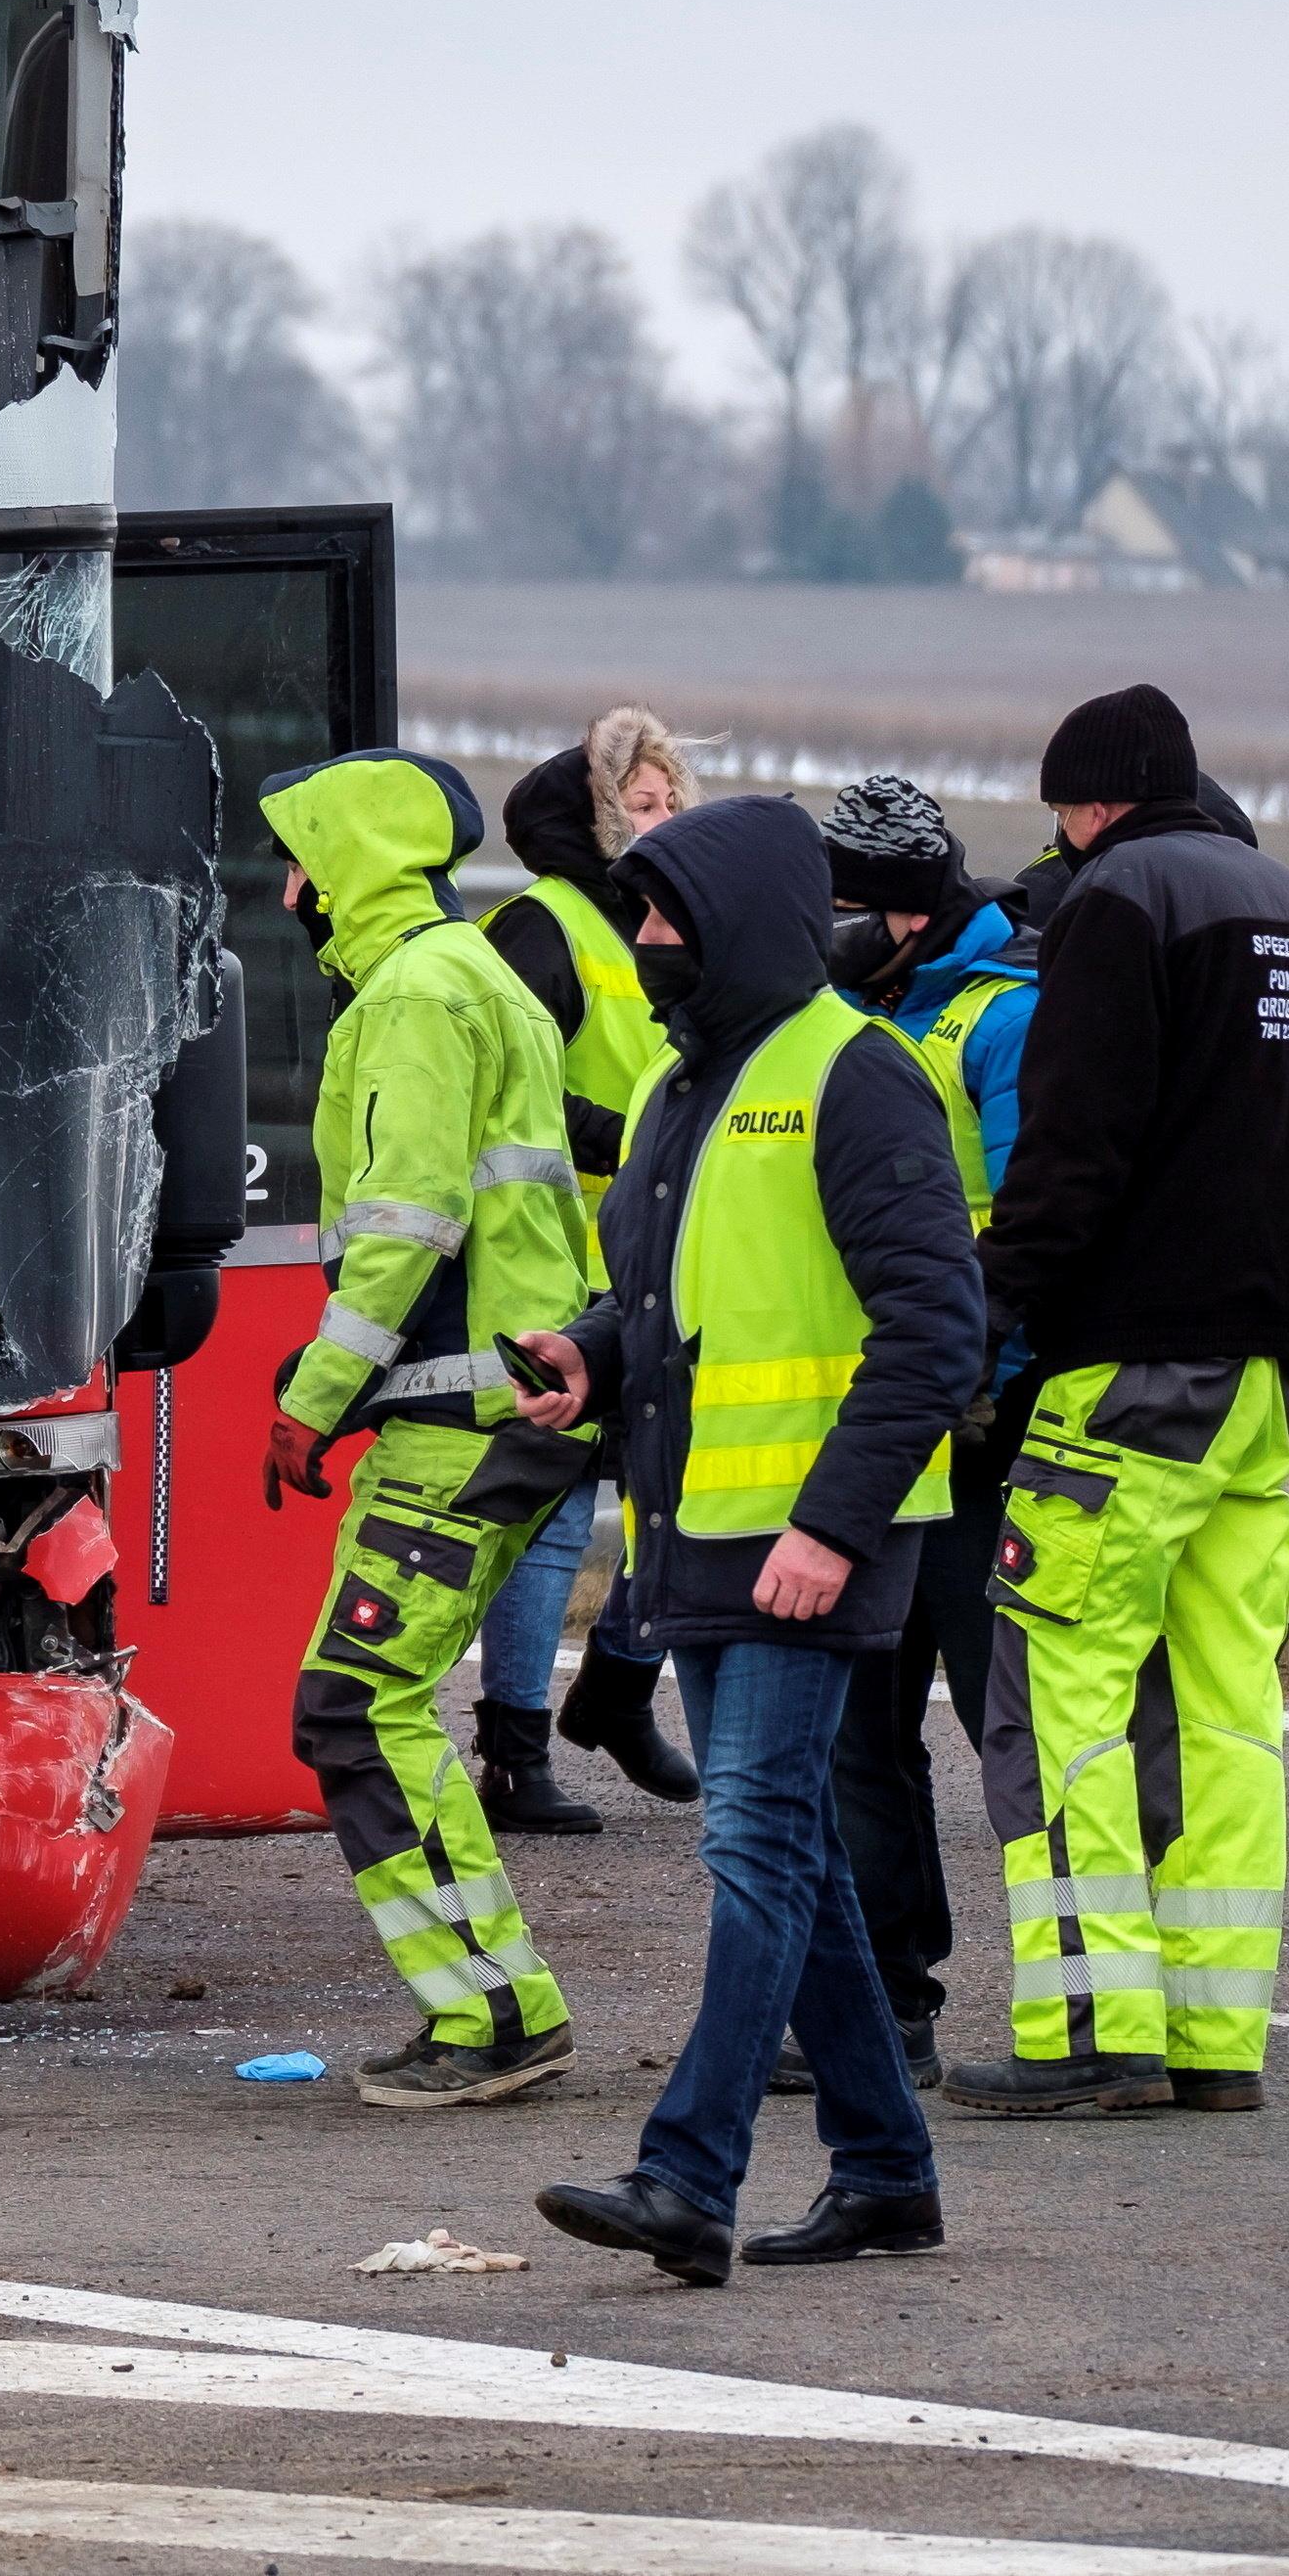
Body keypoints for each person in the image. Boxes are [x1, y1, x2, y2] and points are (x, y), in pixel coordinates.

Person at [511, 793, 982, 2283]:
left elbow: (934, 1330)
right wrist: (589, 1350)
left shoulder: (857, 1072)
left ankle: (684, 2173)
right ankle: (887, 2170)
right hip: (696, 1531)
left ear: (739, 923)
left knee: (754, 1844)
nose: (644, 941)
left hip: (805, 1545)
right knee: (798, 1855)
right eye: (638, 912)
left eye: (664, 916)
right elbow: (665, 1304)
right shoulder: (674, 1087)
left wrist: (831, 1526)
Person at [950, 685, 1289, 2120]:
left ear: (1091, 799)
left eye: (1059, 805)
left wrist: (977, 1322)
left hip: (1123, 1373)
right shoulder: (1285, 904)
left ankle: (1082, 2030)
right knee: (1226, 1712)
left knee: (1058, 1700)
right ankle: (1209, 2037)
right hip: (1259, 1380)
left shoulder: (1115, 902)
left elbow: (1070, 1151)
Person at [251, 748, 596, 2108]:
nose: (282, 885)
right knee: (364, 1701)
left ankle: (495, 2013)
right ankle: (494, 2001)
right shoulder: (469, 974)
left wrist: (304, 1402)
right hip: (481, 1402)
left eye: (296, 857)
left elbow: (406, 1228)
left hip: (457, 1414)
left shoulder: (409, 993)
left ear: (344, 863)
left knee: (355, 1703)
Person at [803, 773, 1036, 2090]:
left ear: (899, 907)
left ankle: (1080, 2000)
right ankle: (888, 2004)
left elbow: (1022, 1217)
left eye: (843, 904)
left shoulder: (1005, 1015)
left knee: (1002, 1720)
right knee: (856, 1733)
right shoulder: (840, 1010)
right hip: (876, 1422)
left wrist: (965, 1366)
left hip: (978, 1421)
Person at [474, 708, 703, 1826]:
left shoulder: (657, 926)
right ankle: (513, 1752)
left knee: (674, 1492)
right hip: (555, 1266)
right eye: (642, 804)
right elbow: (504, 1098)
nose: (661, 823)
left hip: (651, 1258)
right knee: (556, 1513)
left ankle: (612, 1686)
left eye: (671, 803)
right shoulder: (542, 924)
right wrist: (639, 1142)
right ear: (597, 813)